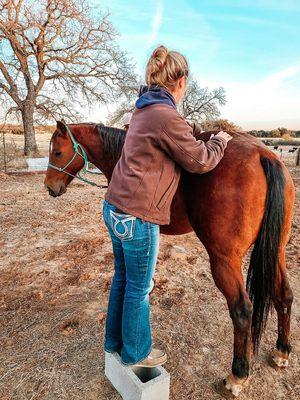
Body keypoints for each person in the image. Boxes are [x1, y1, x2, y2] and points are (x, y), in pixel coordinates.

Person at [102, 45, 232, 368]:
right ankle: (136, 354)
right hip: (138, 217)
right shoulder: (165, 116)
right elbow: (199, 160)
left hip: (114, 207)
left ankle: (113, 343)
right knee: (140, 288)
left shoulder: (143, 110)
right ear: (181, 80)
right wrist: (219, 141)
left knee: (122, 278)